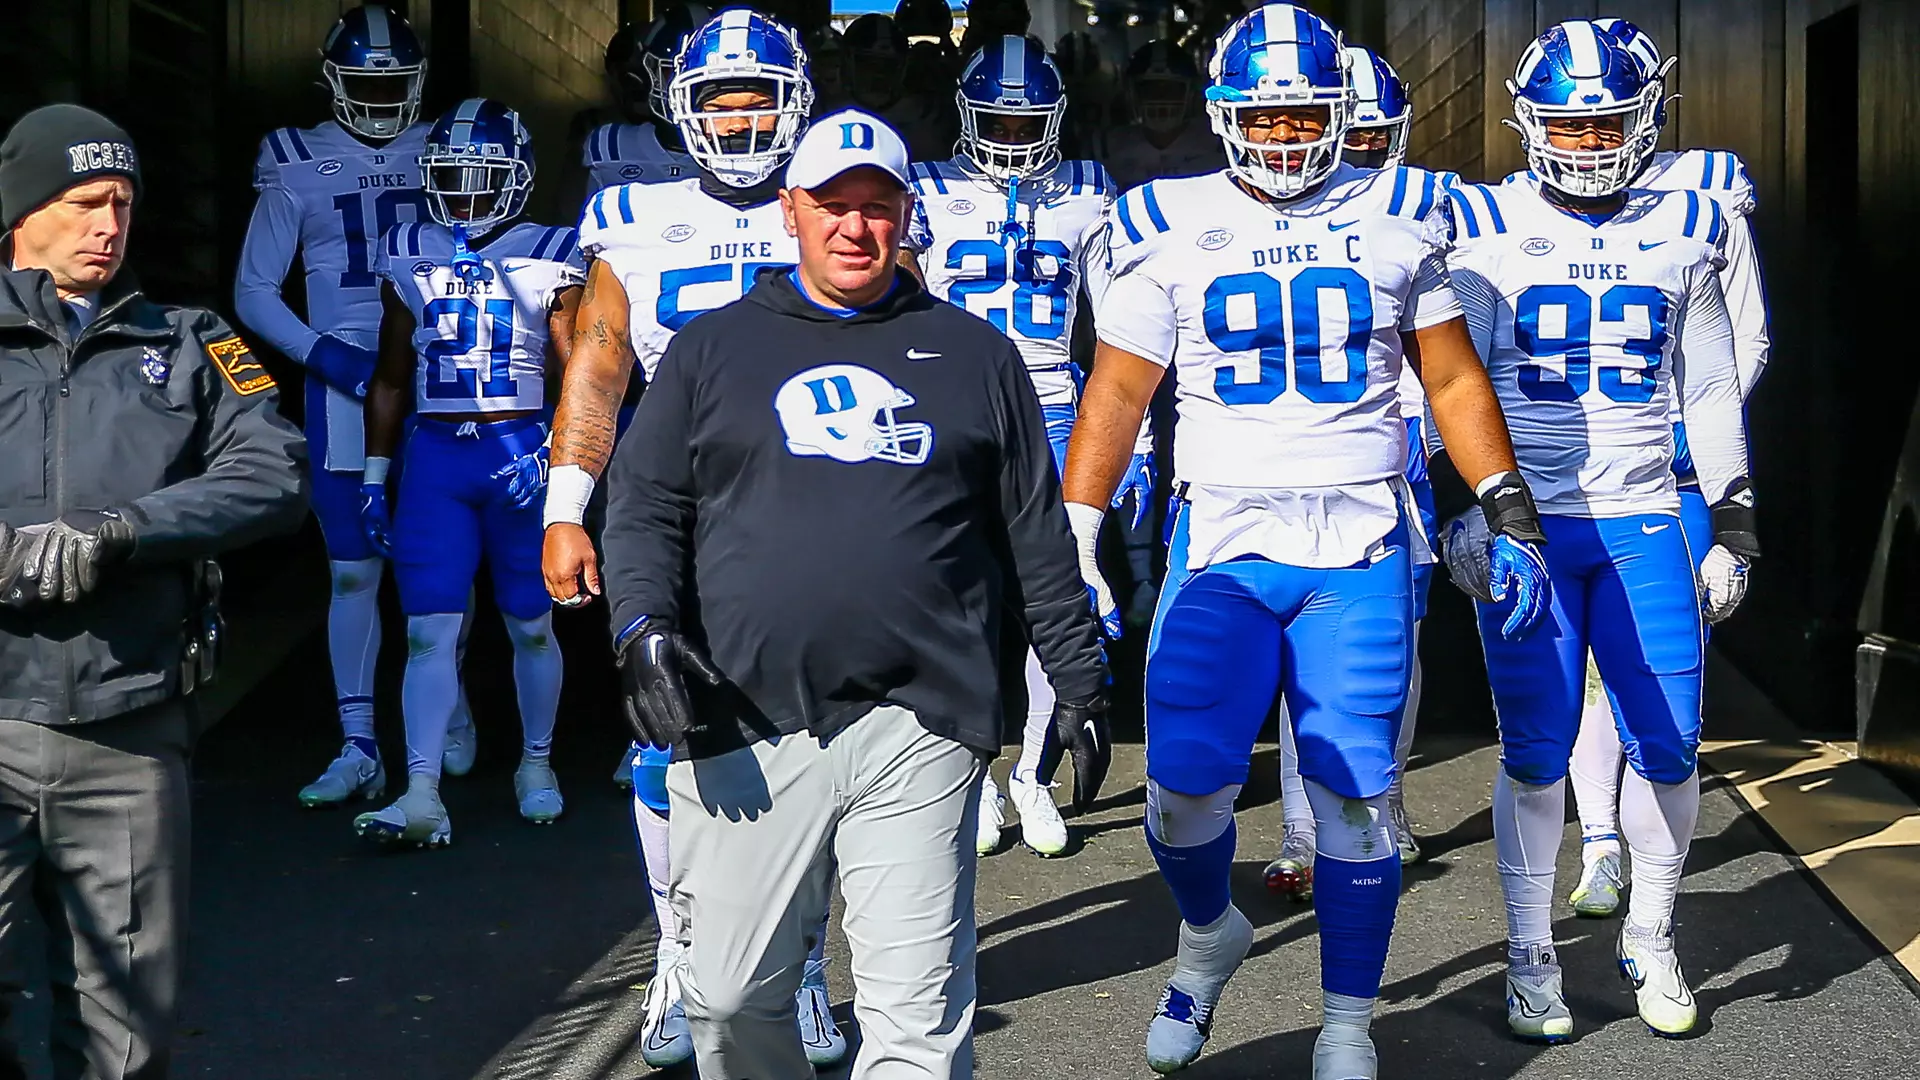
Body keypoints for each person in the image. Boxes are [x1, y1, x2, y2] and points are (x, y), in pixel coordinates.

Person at [1061, 7, 1551, 1075]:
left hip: (1359, 546)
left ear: (1339, 114)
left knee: (1355, 799)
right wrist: (1079, 532)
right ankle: (1208, 936)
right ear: (1226, 116)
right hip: (1223, 542)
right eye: (1265, 116)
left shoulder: (1400, 215)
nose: (1284, 137)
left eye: (1304, 115)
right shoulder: (1166, 218)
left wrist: (1504, 499)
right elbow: (1118, 392)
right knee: (1183, 787)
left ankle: (1345, 1020)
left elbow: (1451, 375)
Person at [603, 106, 1110, 1080]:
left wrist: (1079, 680)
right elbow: (644, 505)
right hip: (743, 716)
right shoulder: (712, 350)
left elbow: (1034, 534)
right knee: (728, 1001)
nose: (855, 226)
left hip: (922, 718)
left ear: (906, 217)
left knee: (916, 1019)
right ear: (791, 210)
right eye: (833, 204)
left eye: (877, 206)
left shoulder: (976, 354)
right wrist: (640, 625)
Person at [543, 11, 849, 1067]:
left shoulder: (835, 204)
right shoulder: (634, 215)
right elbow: (598, 368)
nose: (741, 121)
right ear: (682, 110)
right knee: (661, 733)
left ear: (796, 105)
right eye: (722, 102)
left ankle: (802, 962)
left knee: (818, 742)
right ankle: (680, 948)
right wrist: (564, 506)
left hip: (818, 510)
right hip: (676, 511)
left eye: (759, 101)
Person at [1444, 20, 1757, 1042]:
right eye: (1570, 125)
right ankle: (1529, 951)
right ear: (1531, 124)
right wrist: (1464, 506)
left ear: (1645, 118)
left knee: (1670, 742)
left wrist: (1734, 516)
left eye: (1607, 123)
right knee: (1535, 749)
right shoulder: (1480, 223)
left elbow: (1709, 386)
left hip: (1642, 517)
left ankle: (1652, 934)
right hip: (1531, 523)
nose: (1588, 142)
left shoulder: (1691, 222)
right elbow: (1449, 382)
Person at [0, 103, 309, 1080]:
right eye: (85, 202)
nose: (109, 225)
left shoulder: (187, 341)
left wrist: (123, 532)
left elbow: (275, 473)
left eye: (124, 204)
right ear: (20, 212)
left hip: (129, 729)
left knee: (126, 1036)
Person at [234, 3, 479, 808]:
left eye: (394, 84)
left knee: (446, 553)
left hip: (439, 374)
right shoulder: (296, 157)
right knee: (350, 571)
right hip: (343, 381)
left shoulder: (444, 145)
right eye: (366, 84)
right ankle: (359, 740)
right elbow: (254, 289)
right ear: (332, 81)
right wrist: (327, 355)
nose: (380, 100)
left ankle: (448, 703)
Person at [1561, 15, 1771, 921]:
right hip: (1576, 468)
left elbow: (1742, 341)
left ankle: (1643, 880)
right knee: (1584, 670)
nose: (1593, 135)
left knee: (1653, 669)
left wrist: (1683, 438)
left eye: (1613, 113)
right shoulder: (1529, 204)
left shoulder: (1703, 196)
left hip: (1670, 467)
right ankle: (1599, 839)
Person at [909, 34, 1136, 859]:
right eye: (997, 123)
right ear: (965, 115)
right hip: (953, 407)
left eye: (1026, 124)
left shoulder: (1089, 191)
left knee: (1058, 603)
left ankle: (1032, 775)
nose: (1011, 139)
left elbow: (1120, 329)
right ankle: (971, 778)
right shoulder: (923, 187)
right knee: (957, 604)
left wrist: (1137, 440)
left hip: (1054, 408)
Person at [352, 98, 582, 847]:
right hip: (438, 455)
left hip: (519, 448)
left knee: (532, 625)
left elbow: (578, 372)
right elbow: (391, 376)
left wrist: (558, 454)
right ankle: (420, 789)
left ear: (518, 177)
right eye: (452, 178)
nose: (467, 194)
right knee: (428, 630)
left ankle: (536, 762)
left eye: (483, 178)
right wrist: (373, 475)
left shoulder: (553, 248)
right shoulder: (407, 247)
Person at [1263, 44, 1427, 904]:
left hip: (1402, 449)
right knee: (1303, 641)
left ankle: (1383, 795)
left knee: (1396, 640)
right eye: (1347, 132)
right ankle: (1301, 822)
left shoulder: (1428, 207)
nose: (1358, 150)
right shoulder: (1262, 210)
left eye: (1373, 136)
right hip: (1304, 454)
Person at [581, 3, 708, 200]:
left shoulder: (740, 150)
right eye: (673, 73)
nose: (683, 89)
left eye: (699, 78)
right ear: (650, 72)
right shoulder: (609, 147)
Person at [1102, 41, 1219, 191]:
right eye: (1150, 89)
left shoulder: (1218, 143)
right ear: (1132, 93)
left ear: (1191, 93)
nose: (1161, 98)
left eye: (1171, 90)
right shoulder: (1106, 147)